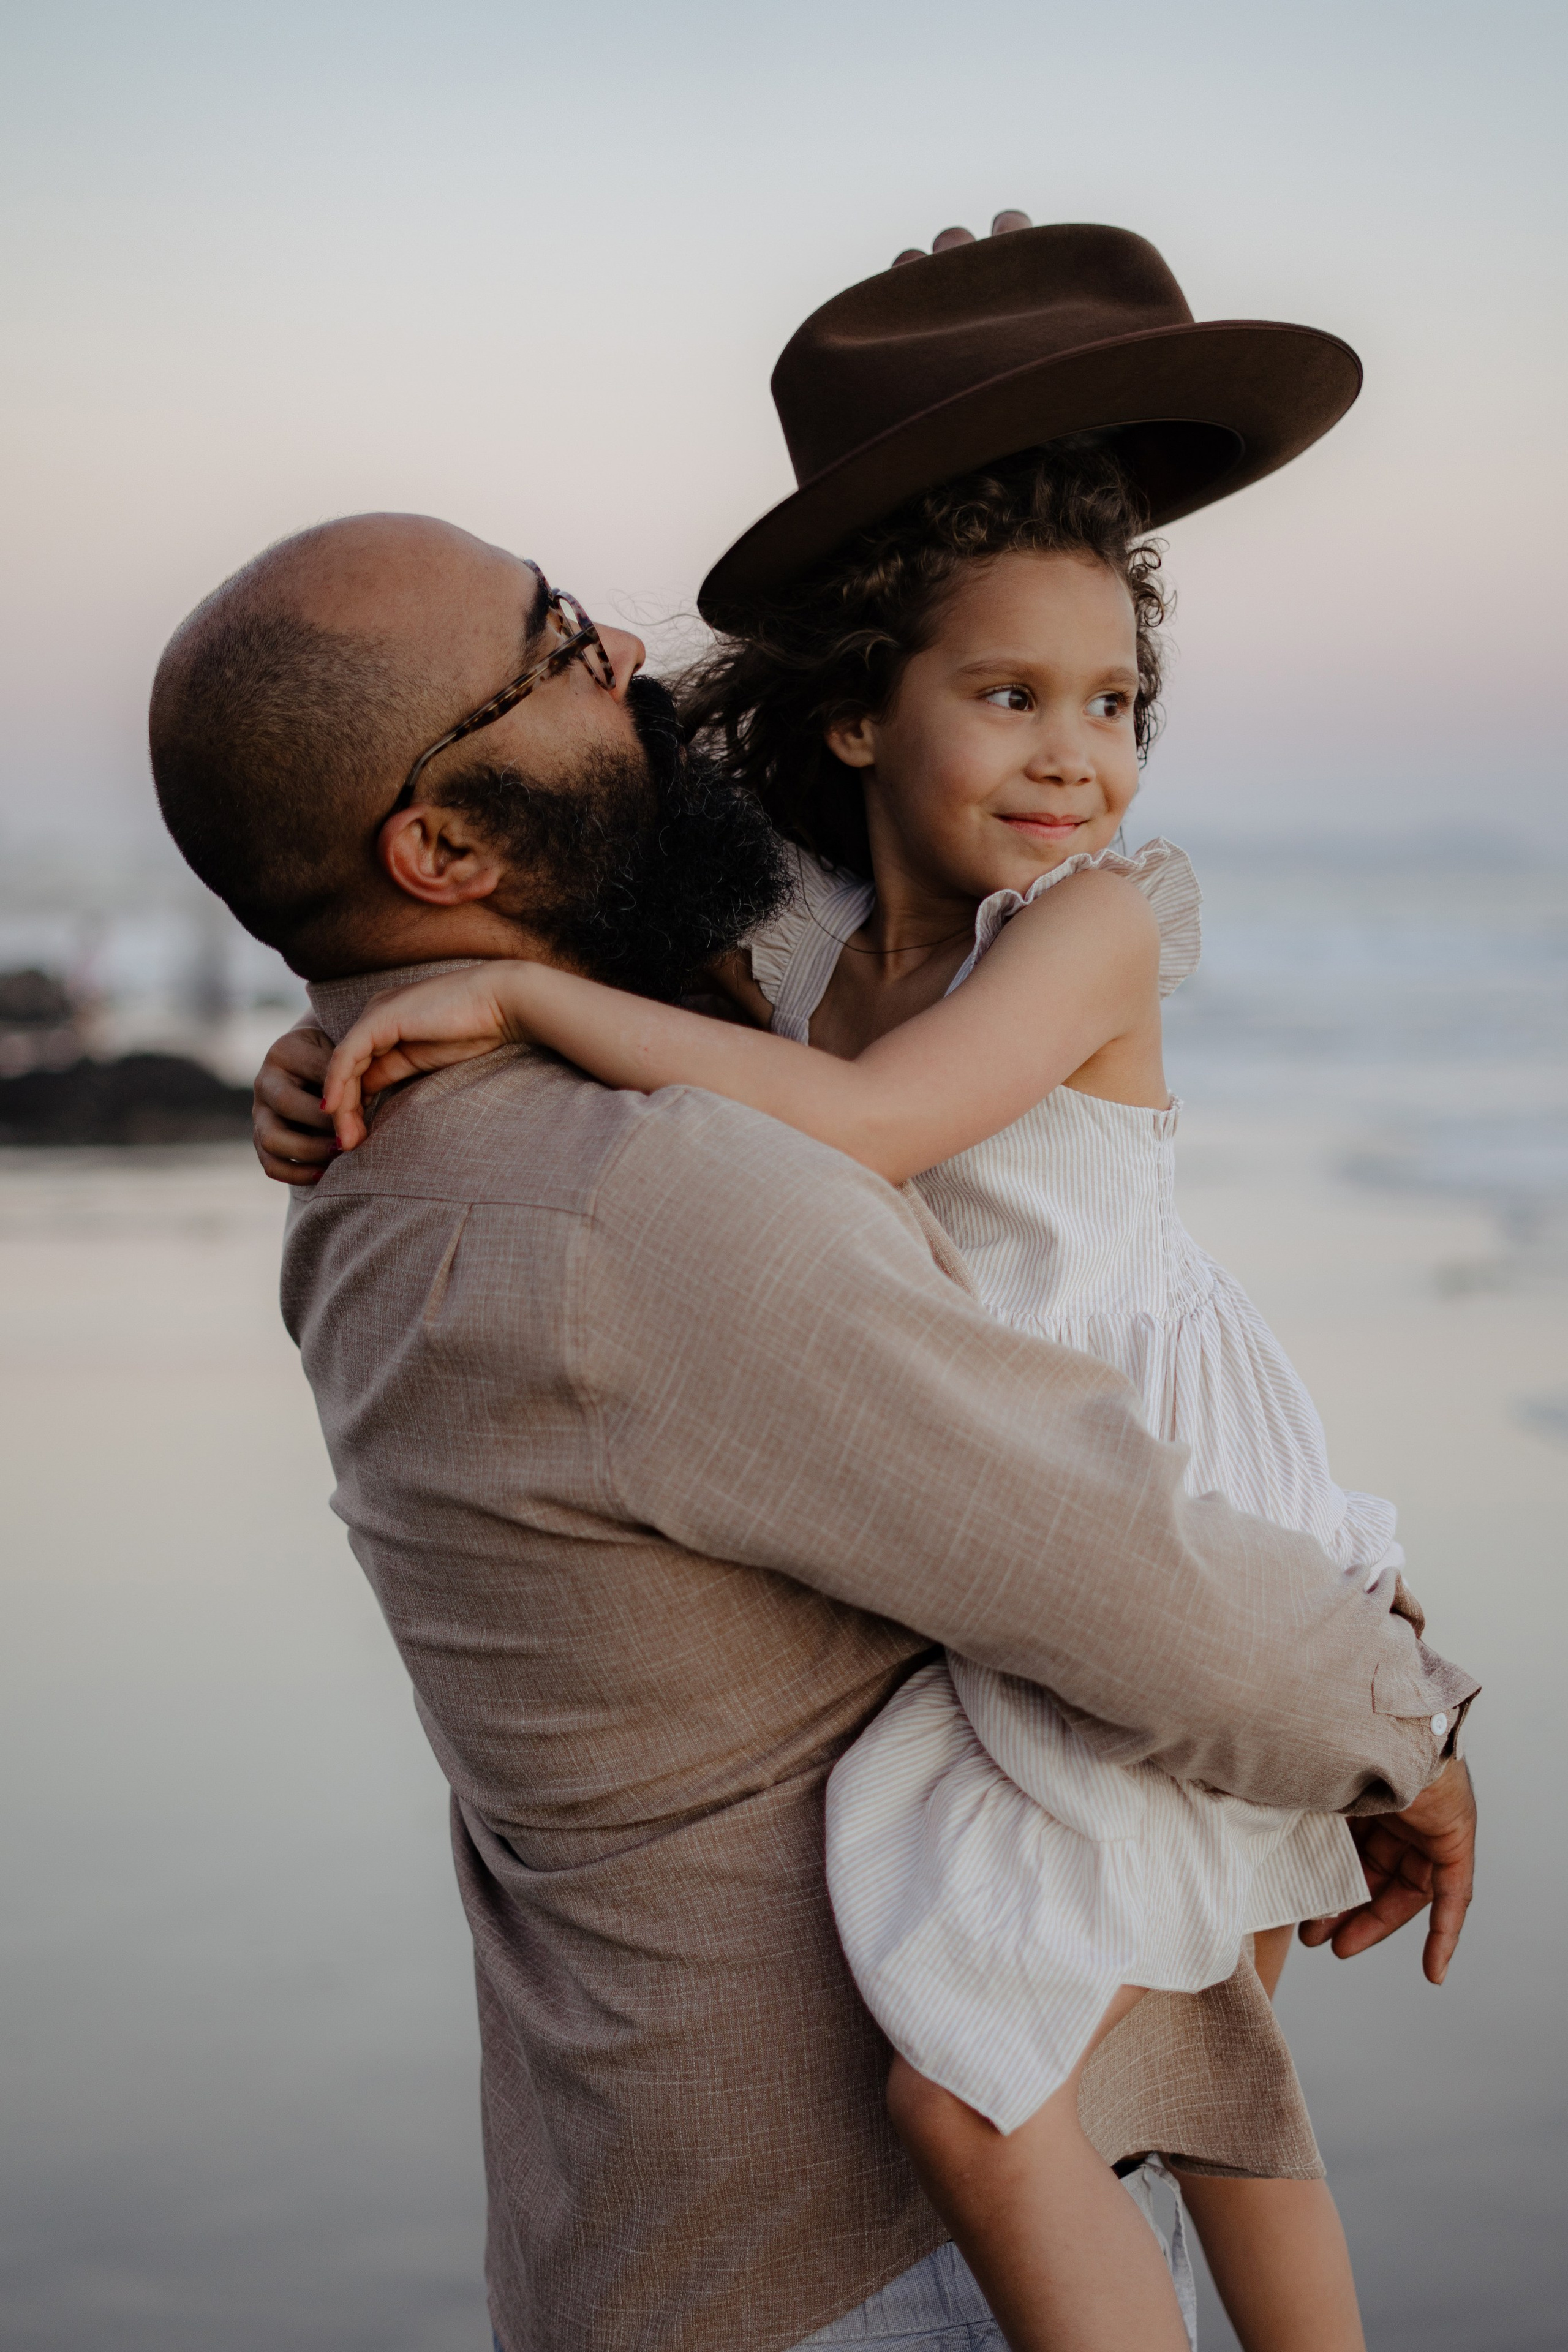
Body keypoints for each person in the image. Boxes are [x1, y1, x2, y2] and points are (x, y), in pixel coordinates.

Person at [179, 222, 1477, 2352]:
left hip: (652, 2222)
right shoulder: (633, 1191)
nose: (632, 660)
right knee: (1130, 2045)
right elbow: (1114, 1572)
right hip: (843, 2267)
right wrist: (1404, 1739)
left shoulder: (438, 1146)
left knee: (1222, 2028)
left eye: (1109, 695)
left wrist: (392, 1008)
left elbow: (753, 1018)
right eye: (557, 648)